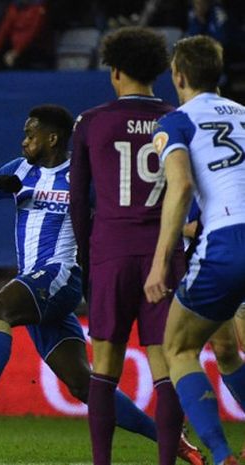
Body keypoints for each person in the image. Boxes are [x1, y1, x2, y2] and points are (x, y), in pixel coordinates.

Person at [0, 105, 203, 465]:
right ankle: (175, 442)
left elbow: (124, 208)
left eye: (30, 135)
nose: (24, 141)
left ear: (52, 138)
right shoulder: (17, 171)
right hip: (35, 287)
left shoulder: (80, 178)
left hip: (61, 275)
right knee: (84, 385)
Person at [69, 26, 194, 465]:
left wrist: (87, 260)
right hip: (164, 252)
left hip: (111, 252)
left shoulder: (91, 122)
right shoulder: (178, 119)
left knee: (104, 366)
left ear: (115, 71)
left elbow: (79, 203)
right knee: (167, 365)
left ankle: (102, 462)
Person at [144, 35, 245, 465]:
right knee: (225, 347)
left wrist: (160, 261)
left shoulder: (176, 122)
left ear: (178, 75)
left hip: (227, 241)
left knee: (179, 349)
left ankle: (221, 456)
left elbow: (182, 185)